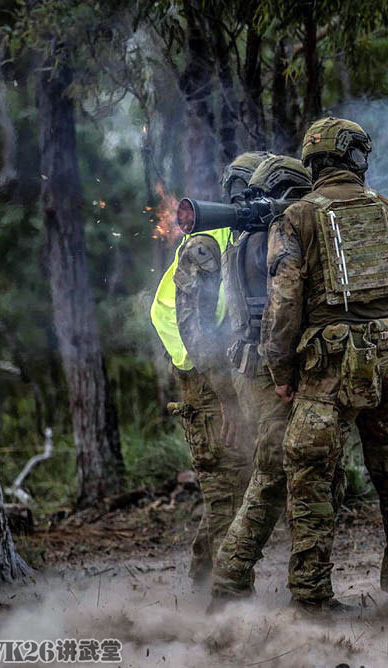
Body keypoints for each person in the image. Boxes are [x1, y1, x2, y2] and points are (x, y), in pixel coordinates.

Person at [261, 117, 388, 614]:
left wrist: (282, 372)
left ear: (312, 162)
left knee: (310, 477)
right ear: (358, 159)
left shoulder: (295, 218)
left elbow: (284, 305)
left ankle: (311, 599)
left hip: (328, 368)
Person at [149, 151, 270, 583]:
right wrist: (229, 400)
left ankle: (203, 588)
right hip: (204, 378)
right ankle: (225, 609)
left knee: (237, 485)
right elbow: (198, 334)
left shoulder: (244, 239)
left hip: (224, 375)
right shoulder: (207, 243)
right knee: (225, 486)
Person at [209, 155, 326, 599]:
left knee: (292, 471)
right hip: (265, 370)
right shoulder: (263, 242)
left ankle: (298, 579)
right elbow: (282, 314)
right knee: (274, 470)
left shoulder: (249, 237)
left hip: (254, 366)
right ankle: (231, 577)